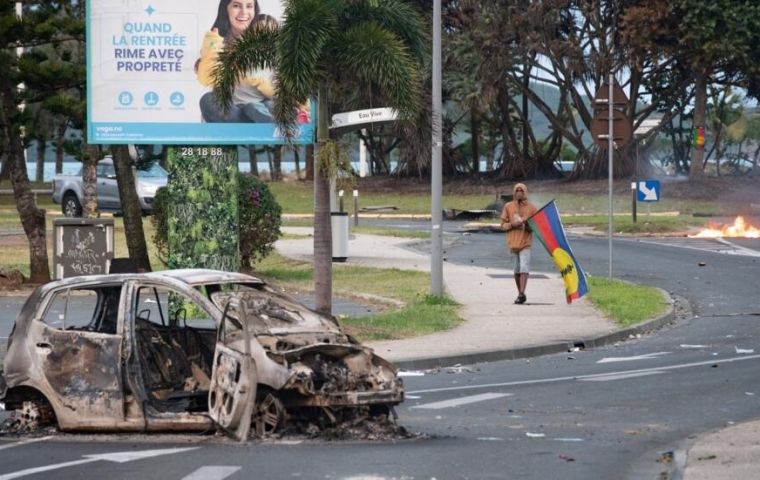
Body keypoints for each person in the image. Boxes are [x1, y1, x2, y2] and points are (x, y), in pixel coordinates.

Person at [196, 0, 276, 123]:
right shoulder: (216, 40)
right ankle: (256, 134)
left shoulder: (267, 37)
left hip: (262, 107)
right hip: (234, 110)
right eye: (236, 6)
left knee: (271, 104)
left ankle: (257, 132)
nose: (244, 12)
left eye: (249, 6)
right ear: (225, 10)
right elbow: (207, 78)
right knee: (208, 100)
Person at [500, 182, 538, 305]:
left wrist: (528, 226)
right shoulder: (508, 206)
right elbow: (503, 225)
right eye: (517, 190)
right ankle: (520, 294)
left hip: (525, 242)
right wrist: (512, 225)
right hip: (513, 242)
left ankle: (521, 293)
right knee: (516, 270)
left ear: (525, 192)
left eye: (521, 190)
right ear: (514, 193)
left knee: (524, 267)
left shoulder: (532, 208)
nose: (519, 192)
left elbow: (537, 227)